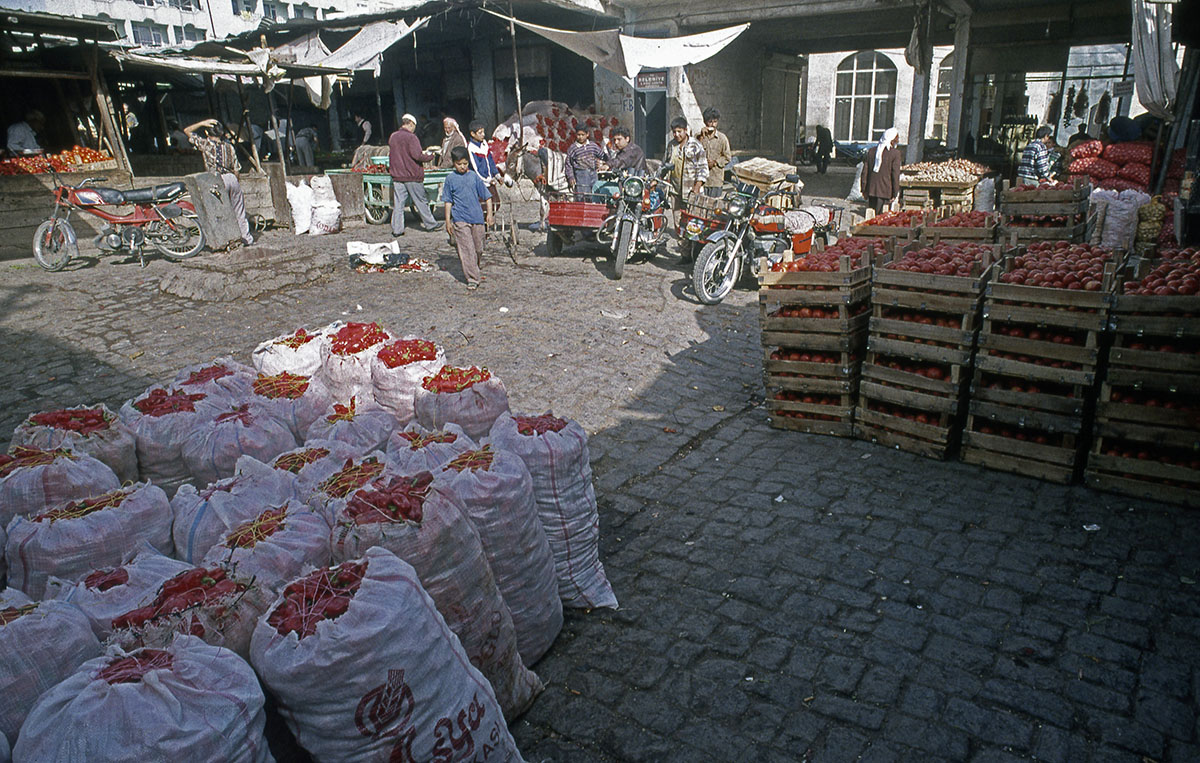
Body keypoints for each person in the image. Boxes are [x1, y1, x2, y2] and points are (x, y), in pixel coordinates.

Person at [184, 117, 253, 246]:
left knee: (219, 212)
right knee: (239, 211)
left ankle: (225, 241)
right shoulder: (229, 147)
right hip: (232, 178)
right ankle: (246, 238)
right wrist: (235, 182)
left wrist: (202, 122)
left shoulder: (205, 145)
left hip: (217, 180)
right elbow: (236, 169)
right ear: (221, 133)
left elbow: (187, 130)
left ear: (206, 133)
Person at [442, 145, 493, 291]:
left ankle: (473, 266)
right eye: (459, 164)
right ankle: (472, 278)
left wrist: (489, 214)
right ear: (453, 163)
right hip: (460, 218)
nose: (462, 167)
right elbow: (448, 201)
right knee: (467, 249)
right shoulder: (450, 179)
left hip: (477, 218)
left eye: (465, 164)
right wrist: (448, 221)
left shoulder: (474, 177)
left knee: (478, 248)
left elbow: (487, 197)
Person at [387, 113, 443, 236]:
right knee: (421, 201)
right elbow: (417, 155)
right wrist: (431, 155)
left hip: (397, 176)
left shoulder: (393, 136)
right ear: (411, 124)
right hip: (411, 175)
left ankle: (397, 229)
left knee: (399, 204)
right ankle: (430, 224)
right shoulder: (411, 138)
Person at [663, 116, 708, 209]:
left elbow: (703, 168)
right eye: (674, 132)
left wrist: (697, 187)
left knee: (691, 221)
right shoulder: (671, 145)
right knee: (677, 221)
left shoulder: (695, 145)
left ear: (685, 130)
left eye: (679, 131)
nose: (676, 134)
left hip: (691, 191)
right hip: (674, 191)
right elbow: (664, 164)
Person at [860, 127, 901, 214]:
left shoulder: (871, 151)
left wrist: (864, 189)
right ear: (893, 140)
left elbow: (864, 172)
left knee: (871, 215)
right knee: (882, 218)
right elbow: (895, 175)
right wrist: (895, 193)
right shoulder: (895, 154)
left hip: (871, 190)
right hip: (886, 191)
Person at [696, 107, 731, 198]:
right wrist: (701, 138)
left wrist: (715, 162)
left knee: (714, 206)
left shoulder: (722, 138)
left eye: (715, 121)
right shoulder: (698, 137)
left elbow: (727, 157)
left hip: (716, 180)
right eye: (710, 122)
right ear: (705, 122)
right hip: (700, 180)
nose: (713, 125)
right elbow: (692, 153)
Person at [565, 125, 605, 197]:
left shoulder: (592, 145)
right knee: (583, 195)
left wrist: (605, 163)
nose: (580, 137)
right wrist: (570, 177)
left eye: (583, 135)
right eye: (578, 135)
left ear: (587, 134)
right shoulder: (573, 148)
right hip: (580, 174)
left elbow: (602, 155)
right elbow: (568, 164)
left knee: (595, 193)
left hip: (593, 173)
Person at [467, 120, 501, 196]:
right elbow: (477, 169)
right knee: (484, 205)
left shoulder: (484, 144)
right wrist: (488, 180)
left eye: (483, 132)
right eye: (480, 133)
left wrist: (497, 175)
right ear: (472, 134)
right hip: (479, 182)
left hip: (489, 180)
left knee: (496, 203)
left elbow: (491, 161)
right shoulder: (471, 148)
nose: (483, 135)